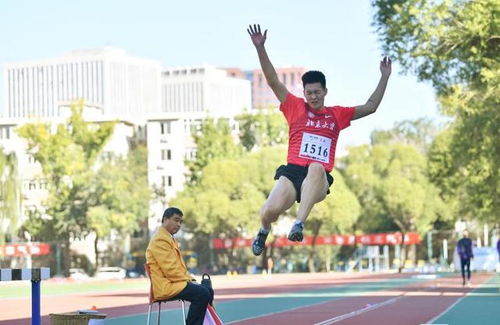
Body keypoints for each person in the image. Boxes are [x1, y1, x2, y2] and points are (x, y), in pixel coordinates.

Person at [247, 24, 392, 256]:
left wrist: (384, 77)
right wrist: (260, 48)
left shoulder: (336, 114)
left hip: (318, 178)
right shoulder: (295, 107)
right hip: (292, 172)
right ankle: (264, 231)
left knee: (316, 165)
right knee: (268, 211)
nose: (313, 96)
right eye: (309, 92)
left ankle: (298, 224)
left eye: (317, 92)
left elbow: (371, 107)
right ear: (304, 93)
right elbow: (273, 81)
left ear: (325, 91)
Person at [146, 207, 214, 325]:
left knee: (207, 290)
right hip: (166, 285)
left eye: (180, 222)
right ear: (165, 219)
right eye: (176, 220)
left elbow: (179, 269)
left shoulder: (169, 239)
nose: (178, 224)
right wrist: (190, 281)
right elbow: (171, 270)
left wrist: (191, 280)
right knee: (202, 293)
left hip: (173, 282)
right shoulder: (160, 240)